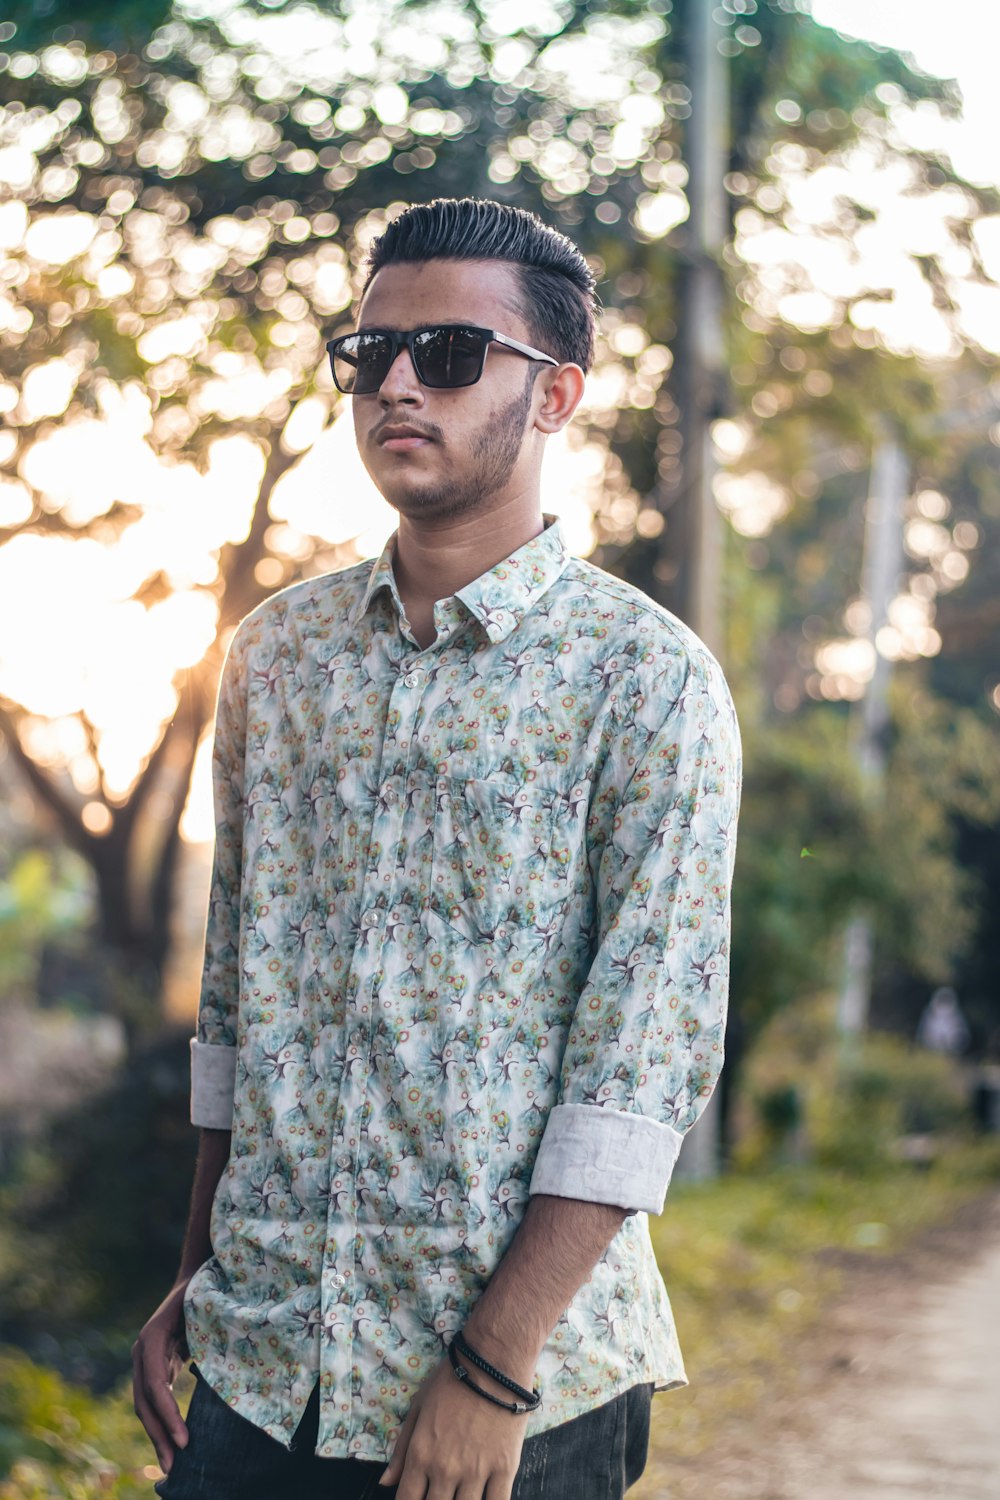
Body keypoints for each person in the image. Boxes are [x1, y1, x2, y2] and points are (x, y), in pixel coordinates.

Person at [132, 197, 741, 1500]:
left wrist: (493, 1367)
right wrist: (198, 1273)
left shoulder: (647, 682)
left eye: (450, 355)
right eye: (369, 355)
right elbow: (242, 1008)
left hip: (516, 1395)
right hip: (263, 1356)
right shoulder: (273, 661)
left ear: (557, 394)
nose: (397, 384)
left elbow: (643, 1059)